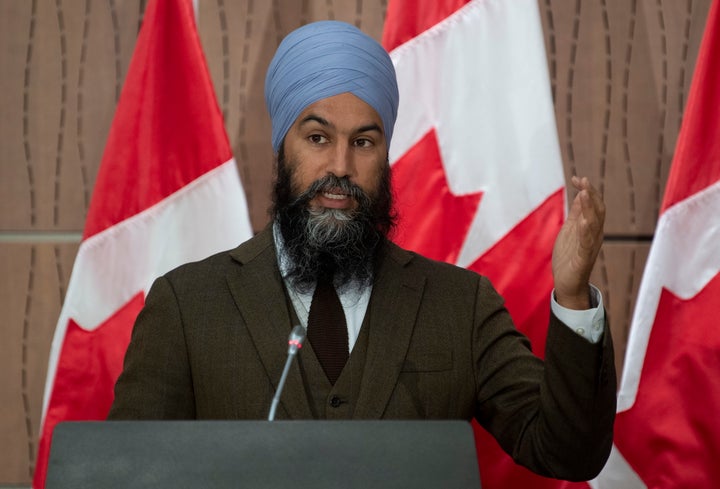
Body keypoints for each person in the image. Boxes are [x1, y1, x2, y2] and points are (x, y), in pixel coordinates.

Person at [108, 20, 616, 481]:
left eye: (364, 142)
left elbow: (567, 453)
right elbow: (127, 476)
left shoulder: (460, 305)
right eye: (317, 137)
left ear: (386, 157)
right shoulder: (187, 303)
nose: (341, 166)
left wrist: (571, 296)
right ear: (282, 148)